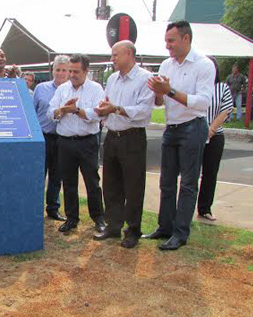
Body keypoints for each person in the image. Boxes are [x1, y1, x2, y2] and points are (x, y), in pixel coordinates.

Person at [145, 20, 215, 250]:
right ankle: (165, 227)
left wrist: (170, 91)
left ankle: (180, 233)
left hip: (193, 128)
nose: (167, 46)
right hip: (172, 128)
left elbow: (202, 102)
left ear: (186, 39)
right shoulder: (167, 65)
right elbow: (159, 102)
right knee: (166, 182)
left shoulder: (204, 65)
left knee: (187, 184)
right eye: (166, 41)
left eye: (171, 41)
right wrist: (157, 93)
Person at [92, 40, 155, 249]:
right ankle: (113, 226)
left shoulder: (145, 79)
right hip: (112, 136)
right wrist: (103, 109)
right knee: (111, 185)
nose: (112, 59)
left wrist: (115, 108)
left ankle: (133, 230)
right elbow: (107, 102)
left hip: (132, 137)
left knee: (133, 186)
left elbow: (143, 112)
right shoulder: (112, 79)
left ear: (129, 54)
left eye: (115, 55)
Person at [48, 54, 106, 233]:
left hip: (87, 141)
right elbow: (51, 113)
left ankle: (98, 218)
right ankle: (72, 218)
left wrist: (77, 110)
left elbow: (98, 114)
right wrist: (63, 110)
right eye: (70, 71)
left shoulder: (96, 89)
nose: (72, 75)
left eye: (76, 72)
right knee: (68, 182)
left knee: (92, 182)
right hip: (65, 142)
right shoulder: (62, 89)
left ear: (86, 71)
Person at [32, 55, 70, 221]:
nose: (60, 73)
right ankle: (34, 208)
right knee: (39, 174)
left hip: (61, 138)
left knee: (57, 175)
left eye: (64, 70)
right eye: (58, 69)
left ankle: (53, 208)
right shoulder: (41, 88)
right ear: (52, 70)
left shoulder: (72, 90)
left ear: (69, 72)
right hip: (43, 137)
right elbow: (32, 113)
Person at [197, 56, 233, 222]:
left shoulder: (222, 88)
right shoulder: (196, 87)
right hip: (195, 133)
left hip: (215, 135)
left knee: (210, 173)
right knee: (190, 173)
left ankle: (205, 208)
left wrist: (210, 129)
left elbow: (225, 111)